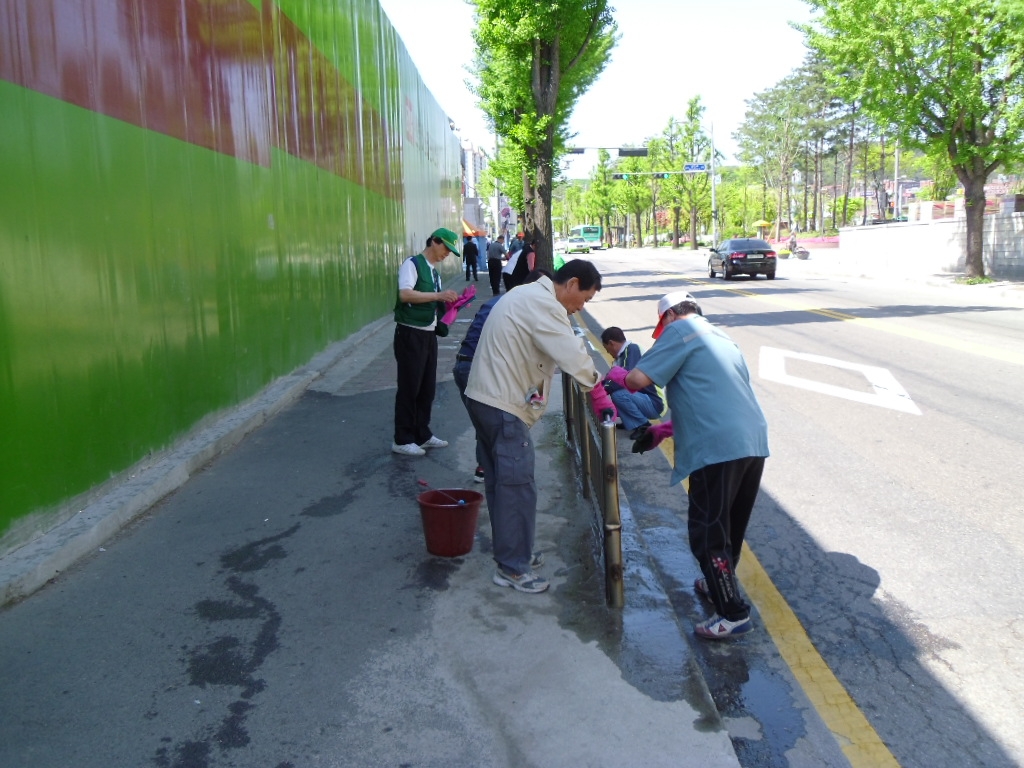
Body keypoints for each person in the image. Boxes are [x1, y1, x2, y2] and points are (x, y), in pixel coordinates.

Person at [608, 290, 769, 639]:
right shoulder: (722, 335)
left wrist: (613, 375)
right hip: (752, 441)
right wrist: (665, 430)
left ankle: (733, 612)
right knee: (729, 525)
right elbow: (711, 395)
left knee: (707, 534)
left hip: (717, 447)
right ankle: (718, 586)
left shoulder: (681, 331)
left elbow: (637, 380)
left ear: (667, 317)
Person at [465, 260, 603, 593]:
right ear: (571, 284)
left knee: (501, 484)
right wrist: (598, 387)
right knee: (517, 488)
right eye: (583, 299)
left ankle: (514, 553)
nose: (580, 308)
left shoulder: (528, 293)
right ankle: (513, 569)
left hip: (486, 398)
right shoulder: (545, 304)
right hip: (502, 405)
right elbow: (572, 354)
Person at [453, 269, 552, 484]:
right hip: (479, 369)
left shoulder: (501, 301)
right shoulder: (523, 308)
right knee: (501, 422)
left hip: (463, 365)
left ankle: (487, 468)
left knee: (486, 422)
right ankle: (501, 473)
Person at [391, 228, 460, 456]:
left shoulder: (434, 273)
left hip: (428, 333)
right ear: (433, 241)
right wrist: (438, 296)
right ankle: (402, 438)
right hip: (410, 333)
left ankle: (422, 433)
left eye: (450, 251)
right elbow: (405, 295)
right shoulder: (412, 264)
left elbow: (433, 302)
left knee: (427, 388)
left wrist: (452, 304)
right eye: (445, 248)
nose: (446, 254)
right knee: (410, 387)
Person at [599, 326, 664, 439]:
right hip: (643, 398)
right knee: (616, 393)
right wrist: (602, 387)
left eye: (607, 349)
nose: (608, 352)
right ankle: (631, 421)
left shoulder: (632, 349)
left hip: (655, 402)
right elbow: (611, 381)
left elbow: (625, 381)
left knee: (619, 394)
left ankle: (643, 426)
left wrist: (602, 389)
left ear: (611, 343)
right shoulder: (621, 357)